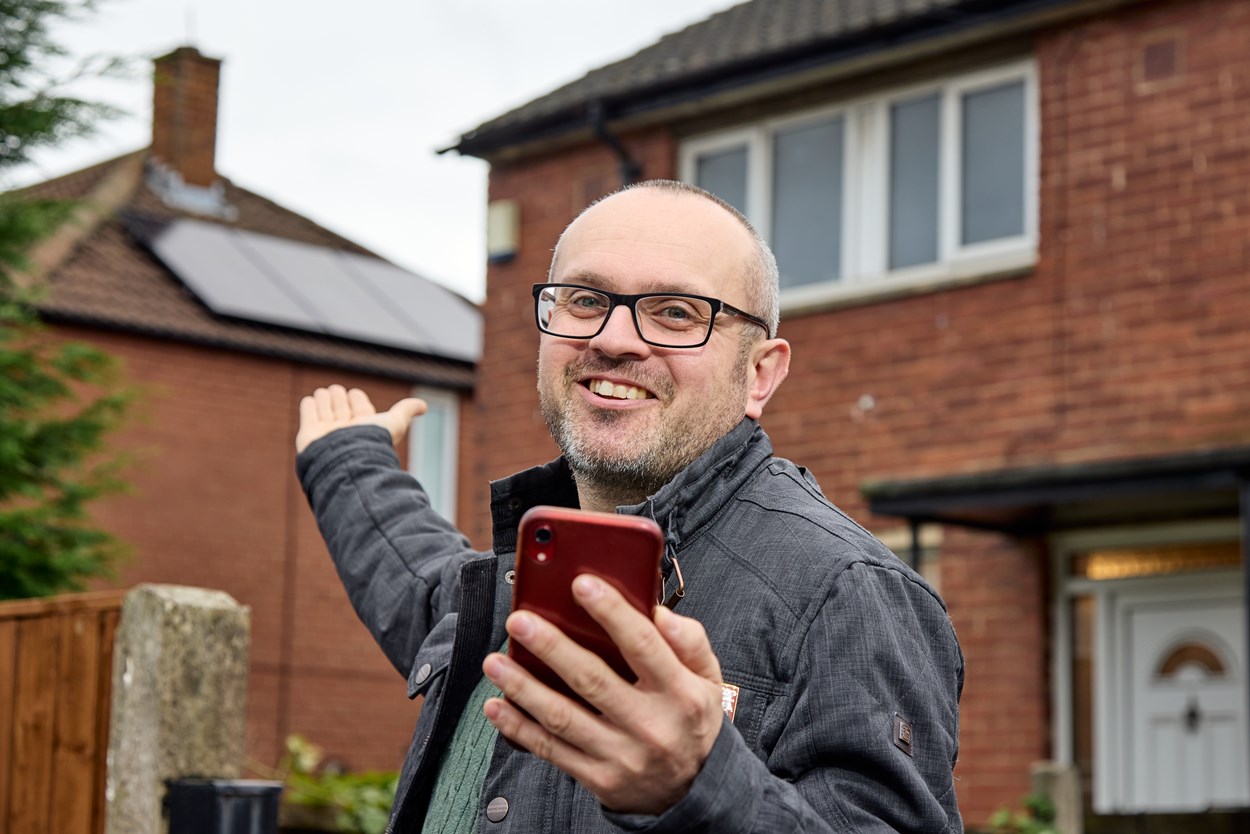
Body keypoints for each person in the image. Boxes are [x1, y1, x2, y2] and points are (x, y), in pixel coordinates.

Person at [295, 180, 964, 833]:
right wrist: (346, 461)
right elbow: (421, 591)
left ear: (760, 373)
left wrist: (701, 785)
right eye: (585, 299)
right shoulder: (531, 567)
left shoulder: (848, 592)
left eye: (675, 312)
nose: (613, 339)